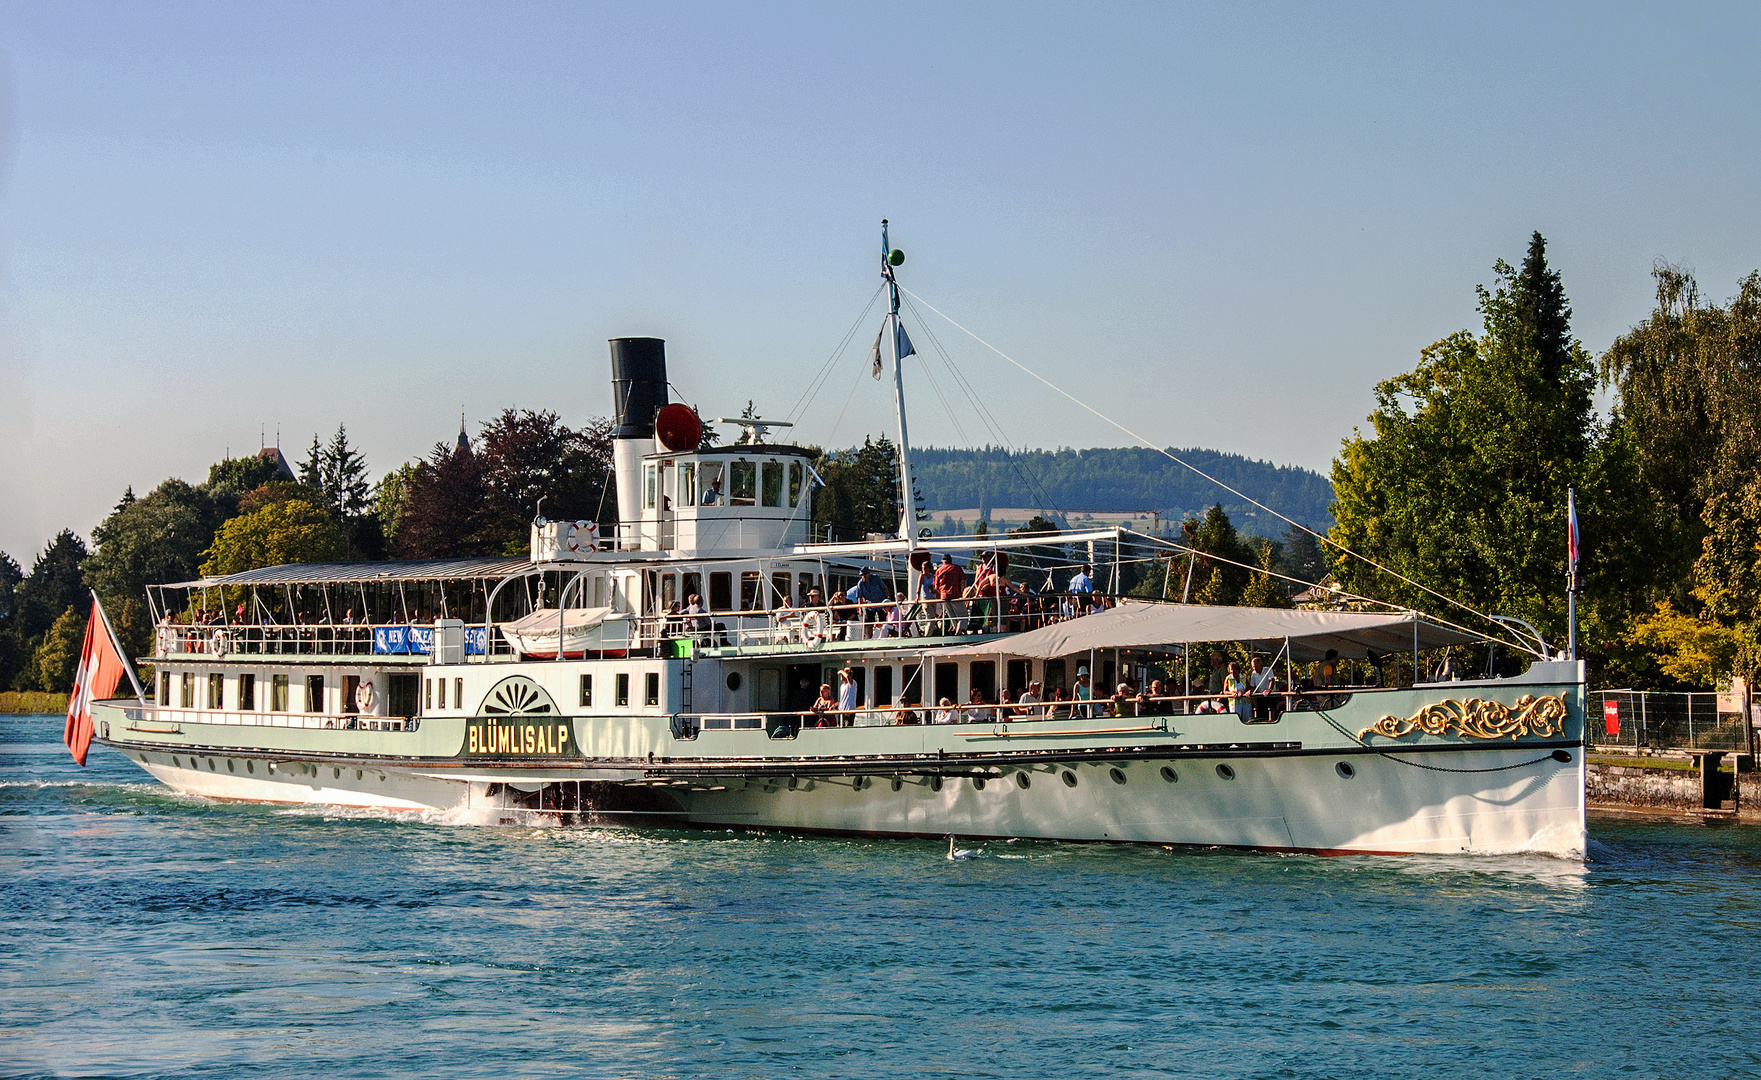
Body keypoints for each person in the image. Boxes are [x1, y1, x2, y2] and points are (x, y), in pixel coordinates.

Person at [844, 568, 887, 639]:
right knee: (869, 623)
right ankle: (870, 638)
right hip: (870, 605)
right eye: (862, 575)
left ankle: (882, 637)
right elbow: (859, 597)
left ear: (868, 573)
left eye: (864, 574)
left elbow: (885, 588)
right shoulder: (860, 584)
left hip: (881, 603)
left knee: (882, 621)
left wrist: (888, 598)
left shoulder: (876, 578)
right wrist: (860, 608)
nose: (863, 576)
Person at [932, 554, 967, 635]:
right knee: (963, 616)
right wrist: (962, 594)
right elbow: (962, 581)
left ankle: (957, 632)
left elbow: (936, 586)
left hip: (944, 596)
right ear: (951, 560)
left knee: (953, 616)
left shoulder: (939, 570)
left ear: (943, 561)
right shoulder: (957, 568)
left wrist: (940, 595)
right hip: (956, 594)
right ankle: (959, 632)